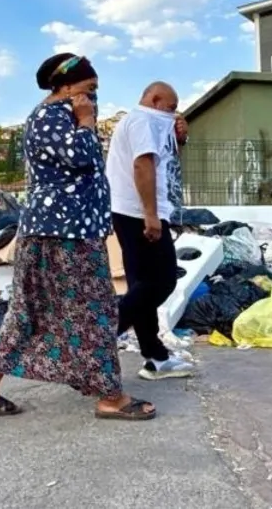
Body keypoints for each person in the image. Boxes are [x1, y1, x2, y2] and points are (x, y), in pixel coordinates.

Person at [0, 52, 156, 421]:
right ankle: (111, 397)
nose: (93, 98)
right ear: (66, 86)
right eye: (89, 88)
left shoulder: (57, 116)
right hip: (66, 234)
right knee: (95, 310)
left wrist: (83, 119)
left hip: (56, 232)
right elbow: (80, 157)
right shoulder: (49, 118)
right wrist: (86, 122)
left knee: (29, 310)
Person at [106, 81, 196, 381]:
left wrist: (178, 141)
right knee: (163, 281)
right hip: (138, 212)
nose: (174, 114)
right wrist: (151, 215)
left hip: (134, 211)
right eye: (171, 108)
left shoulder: (148, 123)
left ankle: (155, 357)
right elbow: (143, 165)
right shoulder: (143, 120)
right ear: (155, 100)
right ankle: (100, 337)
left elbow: (165, 166)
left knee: (142, 285)